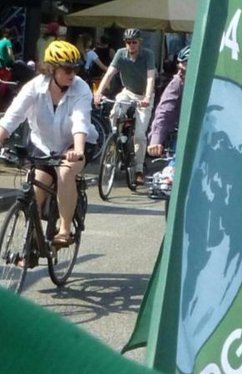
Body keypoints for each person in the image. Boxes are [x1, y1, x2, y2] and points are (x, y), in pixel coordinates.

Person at [0, 40, 97, 247]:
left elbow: (80, 121)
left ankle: (64, 229)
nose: (73, 73)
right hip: (44, 145)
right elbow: (11, 118)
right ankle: (33, 240)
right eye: (67, 69)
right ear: (52, 69)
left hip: (76, 143)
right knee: (37, 184)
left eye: (76, 68)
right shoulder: (34, 87)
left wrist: (78, 150)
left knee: (65, 172)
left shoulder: (81, 89)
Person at [93, 27, 156, 185]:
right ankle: (116, 139)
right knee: (115, 111)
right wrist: (99, 92)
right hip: (127, 92)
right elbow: (109, 73)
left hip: (143, 96)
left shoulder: (148, 55)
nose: (131, 45)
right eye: (128, 42)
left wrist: (147, 97)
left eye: (134, 42)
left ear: (139, 43)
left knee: (140, 135)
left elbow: (150, 78)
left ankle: (139, 169)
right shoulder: (121, 54)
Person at [148, 45, 188, 157]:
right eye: (178, 68)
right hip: (185, 137)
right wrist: (156, 140)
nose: (179, 73)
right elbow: (165, 110)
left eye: (183, 70)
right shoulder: (178, 82)